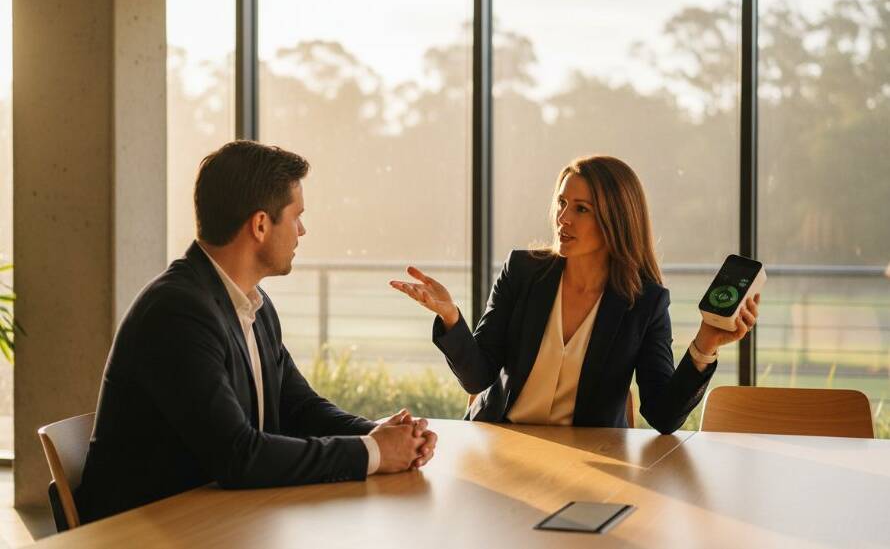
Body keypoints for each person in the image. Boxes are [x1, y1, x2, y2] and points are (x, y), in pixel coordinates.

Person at [76, 141, 437, 523]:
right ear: (261, 224)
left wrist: (381, 434)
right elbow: (238, 456)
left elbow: (297, 406)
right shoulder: (176, 312)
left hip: (217, 520)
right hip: (145, 533)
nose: (302, 230)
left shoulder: (252, 302)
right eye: (296, 216)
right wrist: (374, 453)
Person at [391, 155, 759, 434]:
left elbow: (662, 416)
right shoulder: (522, 272)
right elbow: (479, 378)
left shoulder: (644, 302)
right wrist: (451, 317)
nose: (563, 218)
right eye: (563, 203)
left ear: (616, 220)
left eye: (581, 209)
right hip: (502, 439)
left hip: (589, 458)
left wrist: (706, 344)